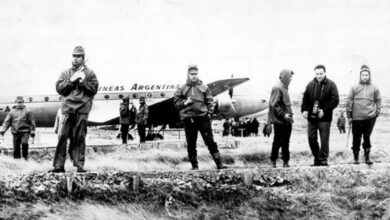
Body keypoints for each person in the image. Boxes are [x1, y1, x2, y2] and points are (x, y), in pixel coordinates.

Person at [51, 46, 99, 173]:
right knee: (62, 137)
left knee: (79, 138)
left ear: (83, 58)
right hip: (67, 109)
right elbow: (60, 89)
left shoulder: (90, 74)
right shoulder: (65, 73)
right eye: (74, 56)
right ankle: (58, 166)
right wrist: (72, 80)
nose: (75, 59)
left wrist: (83, 81)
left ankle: (79, 165)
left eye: (78, 56)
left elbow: (93, 90)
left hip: (82, 109)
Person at [174, 64, 226, 170]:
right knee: (191, 143)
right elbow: (176, 104)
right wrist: (185, 102)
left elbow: (210, 101)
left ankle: (219, 164)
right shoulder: (182, 88)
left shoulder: (204, 87)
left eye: (196, 74)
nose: (194, 76)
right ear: (188, 74)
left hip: (203, 118)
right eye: (192, 74)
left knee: (210, 141)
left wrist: (209, 114)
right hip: (188, 119)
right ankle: (195, 166)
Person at [301, 65, 339, 166]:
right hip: (311, 118)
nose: (319, 76)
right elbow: (305, 98)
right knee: (311, 138)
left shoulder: (331, 85)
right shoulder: (310, 84)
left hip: (325, 118)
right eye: (317, 74)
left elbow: (335, 100)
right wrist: (304, 110)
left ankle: (323, 160)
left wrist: (325, 110)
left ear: (325, 73)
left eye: (321, 73)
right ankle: (317, 158)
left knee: (324, 140)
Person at [346, 65, 381, 165]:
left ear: (369, 76)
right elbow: (349, 101)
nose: (365, 76)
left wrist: (377, 112)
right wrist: (349, 116)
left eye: (366, 75)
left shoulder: (374, 88)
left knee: (367, 137)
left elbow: (378, 100)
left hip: (369, 117)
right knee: (356, 137)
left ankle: (367, 157)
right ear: (360, 76)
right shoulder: (354, 87)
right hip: (356, 117)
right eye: (363, 75)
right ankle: (356, 158)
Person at [267, 69, 294, 168]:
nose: (291, 79)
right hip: (280, 121)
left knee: (286, 141)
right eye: (289, 77)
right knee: (278, 141)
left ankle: (285, 162)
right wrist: (283, 115)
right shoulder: (278, 87)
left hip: (286, 121)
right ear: (285, 77)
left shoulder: (283, 87)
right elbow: (274, 105)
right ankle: (273, 161)